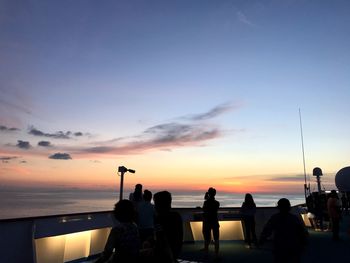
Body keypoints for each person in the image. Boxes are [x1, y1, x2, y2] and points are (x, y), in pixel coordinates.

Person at [259, 198, 308, 263]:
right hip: (293, 245)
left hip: (280, 245)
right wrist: (303, 243)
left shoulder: (275, 218)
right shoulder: (294, 218)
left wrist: (262, 239)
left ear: (278, 207)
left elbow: (267, 230)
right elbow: (302, 232)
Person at [153, 190, 183, 263]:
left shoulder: (159, 218)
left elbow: (162, 240)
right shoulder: (176, 216)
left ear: (159, 205)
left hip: (164, 255)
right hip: (175, 252)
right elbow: (179, 236)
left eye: (155, 204)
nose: (154, 206)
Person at [202, 187, 220, 259]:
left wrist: (207, 196)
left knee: (207, 239)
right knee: (216, 238)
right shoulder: (217, 203)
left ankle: (206, 254)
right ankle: (216, 255)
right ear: (215, 194)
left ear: (209, 193)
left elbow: (204, 209)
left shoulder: (206, 202)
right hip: (214, 221)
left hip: (207, 222)